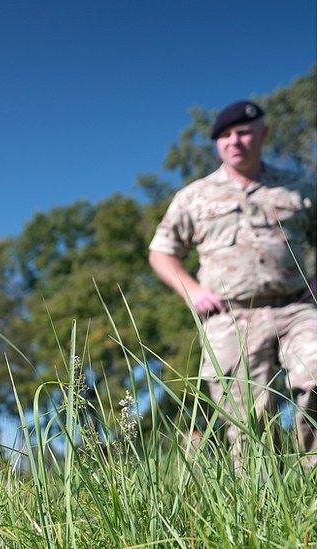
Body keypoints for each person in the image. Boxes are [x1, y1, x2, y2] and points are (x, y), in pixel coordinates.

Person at [149, 100, 317, 465]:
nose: (234, 141)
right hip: (232, 315)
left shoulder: (299, 189)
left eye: (242, 132)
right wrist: (192, 291)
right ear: (217, 144)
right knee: (249, 418)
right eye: (224, 135)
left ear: (263, 134)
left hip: (298, 306)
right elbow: (161, 252)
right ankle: (263, 503)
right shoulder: (194, 197)